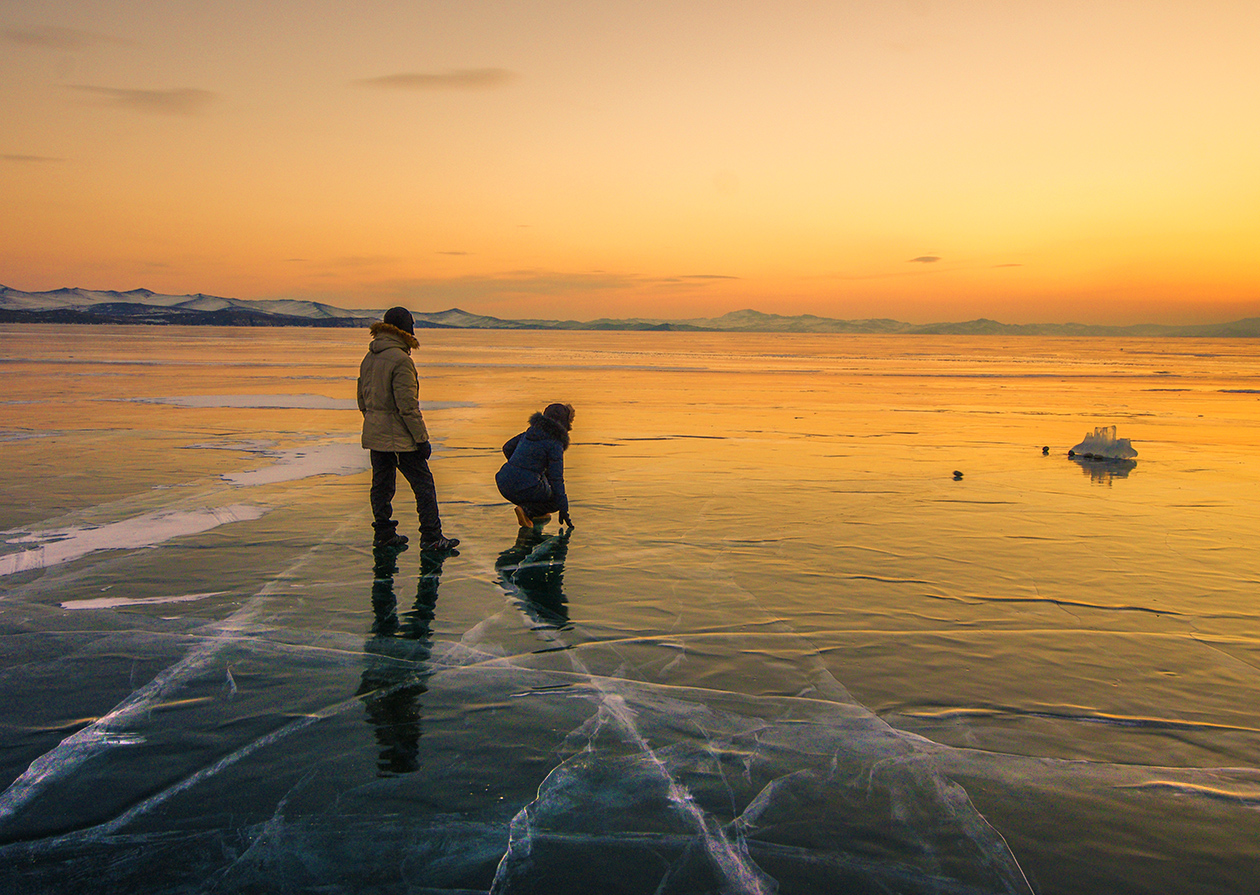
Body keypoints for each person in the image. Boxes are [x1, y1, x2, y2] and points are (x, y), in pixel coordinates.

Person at [357, 306, 459, 551]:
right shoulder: (401, 361)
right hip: (399, 438)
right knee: (423, 485)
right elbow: (407, 406)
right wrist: (421, 439)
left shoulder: (370, 357)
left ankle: (383, 533)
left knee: (381, 485)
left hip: (376, 434)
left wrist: (373, 421)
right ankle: (432, 535)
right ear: (402, 328)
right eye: (411, 324)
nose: (414, 329)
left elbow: (362, 397)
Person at [496, 403, 575, 529]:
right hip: (524, 487)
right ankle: (527, 511)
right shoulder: (555, 443)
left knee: (540, 484)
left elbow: (507, 447)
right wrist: (563, 508)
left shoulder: (529, 433)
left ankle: (535, 512)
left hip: (503, 482)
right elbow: (556, 479)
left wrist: (520, 467)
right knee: (555, 500)